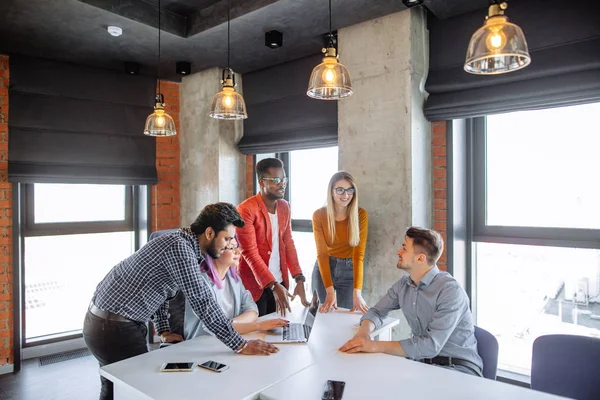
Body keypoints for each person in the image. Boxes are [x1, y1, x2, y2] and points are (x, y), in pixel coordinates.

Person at [83, 203, 279, 400]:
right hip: (115, 327)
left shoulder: (181, 243)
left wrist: (163, 330)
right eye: (227, 239)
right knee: (138, 392)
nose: (229, 245)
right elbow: (203, 302)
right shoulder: (179, 248)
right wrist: (240, 345)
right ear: (210, 233)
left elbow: (160, 289)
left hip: (104, 322)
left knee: (115, 390)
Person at [339, 227, 483, 377]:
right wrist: (364, 334)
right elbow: (376, 311)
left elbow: (430, 345)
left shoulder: (450, 291)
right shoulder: (404, 285)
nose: (398, 252)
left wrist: (374, 346)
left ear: (420, 258)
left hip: (458, 368)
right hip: (423, 364)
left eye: (404, 248)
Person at [237, 158, 309, 317]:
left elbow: (288, 243)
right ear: (262, 182)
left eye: (284, 179)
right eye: (276, 180)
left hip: (280, 281)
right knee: (257, 334)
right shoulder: (246, 210)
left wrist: (299, 278)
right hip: (255, 286)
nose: (282, 184)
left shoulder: (284, 206)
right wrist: (273, 285)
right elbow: (249, 253)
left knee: (278, 331)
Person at [182, 237, 289, 338]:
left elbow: (252, 310)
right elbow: (215, 328)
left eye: (237, 247)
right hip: (202, 347)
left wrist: (233, 325)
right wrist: (258, 326)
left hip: (228, 341)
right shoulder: (199, 283)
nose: (238, 251)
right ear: (215, 252)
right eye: (232, 248)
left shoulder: (234, 279)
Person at [312, 171, 369, 313]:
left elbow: (359, 255)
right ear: (331, 192)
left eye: (350, 190)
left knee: (346, 316)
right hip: (324, 268)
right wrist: (330, 292)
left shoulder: (360, 215)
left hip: (349, 270)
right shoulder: (319, 215)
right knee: (321, 315)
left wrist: (357, 292)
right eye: (340, 190)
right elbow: (322, 254)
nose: (346, 195)